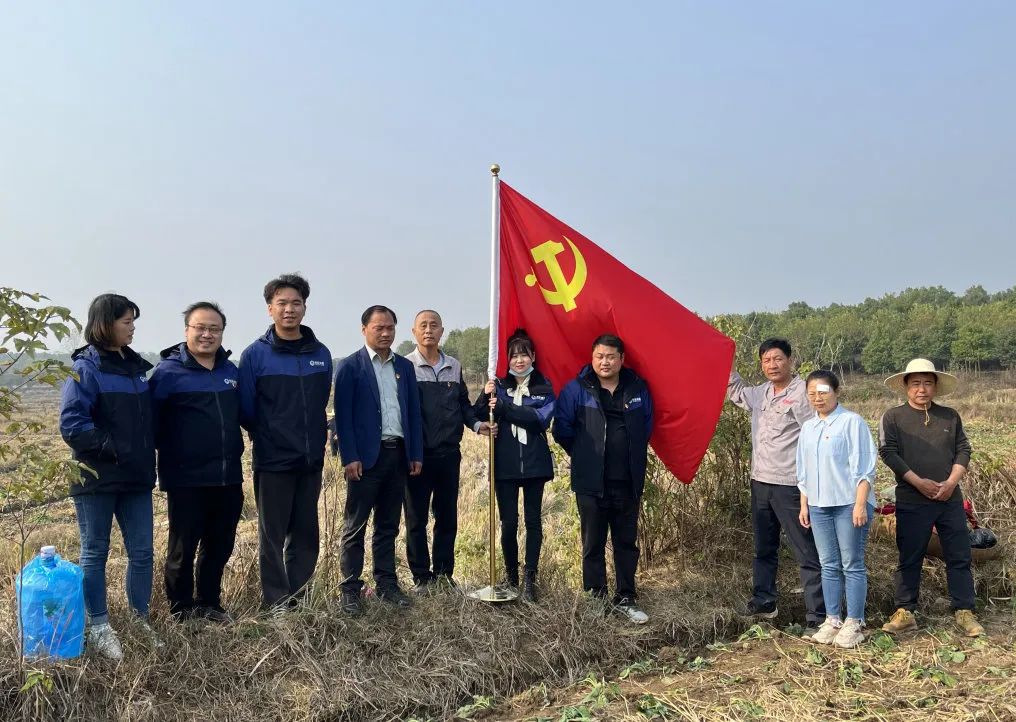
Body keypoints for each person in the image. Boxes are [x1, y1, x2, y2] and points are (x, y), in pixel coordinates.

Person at [59, 293, 157, 660]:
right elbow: (72, 424)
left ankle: (139, 620)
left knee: (143, 552)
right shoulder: (86, 368)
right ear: (105, 323)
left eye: (133, 321)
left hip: (136, 477)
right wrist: (116, 448)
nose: (132, 328)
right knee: (95, 551)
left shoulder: (136, 369)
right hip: (96, 478)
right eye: (126, 321)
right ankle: (99, 625)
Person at [238, 274, 332, 611]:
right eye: (282, 304)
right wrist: (272, 435)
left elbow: (321, 401)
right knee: (272, 537)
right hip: (273, 460)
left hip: (310, 461)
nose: (289, 310)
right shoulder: (255, 356)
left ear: (305, 307)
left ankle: (300, 598)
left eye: (295, 303)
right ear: (270, 309)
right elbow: (246, 410)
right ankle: (276, 604)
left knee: (306, 534)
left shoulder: (320, 353)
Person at [150, 301, 244, 623]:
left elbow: (245, 416)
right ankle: (181, 610)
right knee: (183, 548)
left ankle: (209, 603)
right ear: (186, 330)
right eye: (200, 328)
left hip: (228, 475)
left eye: (214, 329)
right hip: (186, 478)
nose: (207, 334)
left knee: (219, 546)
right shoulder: (167, 372)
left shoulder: (230, 371)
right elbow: (153, 425)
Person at [878, 359, 983, 637]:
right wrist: (917, 482)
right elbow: (889, 453)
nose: (921, 389)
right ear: (906, 386)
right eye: (915, 383)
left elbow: (963, 450)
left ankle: (964, 611)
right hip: (912, 499)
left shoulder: (950, 416)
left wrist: (951, 482)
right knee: (909, 556)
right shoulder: (893, 417)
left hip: (948, 498)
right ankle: (905, 612)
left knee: (959, 554)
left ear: (935, 386)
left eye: (927, 383)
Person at [726, 338, 825, 630]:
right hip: (761, 483)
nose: (773, 365)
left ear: (790, 360)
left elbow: (817, 433)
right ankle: (764, 601)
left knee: (805, 551)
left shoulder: (805, 392)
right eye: (767, 360)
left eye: (778, 359)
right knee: (763, 548)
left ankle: (817, 616)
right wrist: (721, 357)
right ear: (761, 365)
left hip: (791, 485)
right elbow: (736, 391)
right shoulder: (761, 393)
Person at [553, 334, 653, 624]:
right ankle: (595, 597)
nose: (605, 362)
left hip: (628, 480)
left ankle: (626, 597)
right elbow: (562, 429)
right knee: (592, 543)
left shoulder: (637, 389)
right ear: (592, 358)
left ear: (622, 359)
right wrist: (586, 454)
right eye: (599, 356)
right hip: (590, 482)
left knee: (626, 542)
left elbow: (646, 426)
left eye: (610, 356)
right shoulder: (577, 389)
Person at [334, 305, 424, 615]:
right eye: (378, 328)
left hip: (397, 455)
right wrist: (350, 457)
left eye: (390, 328)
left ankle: (387, 584)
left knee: (388, 525)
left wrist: (415, 454)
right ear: (364, 330)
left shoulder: (404, 367)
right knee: (355, 526)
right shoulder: (350, 367)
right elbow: (343, 418)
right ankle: (350, 588)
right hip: (365, 460)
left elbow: (412, 412)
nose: (385, 333)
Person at [403, 309, 491, 592]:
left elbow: (463, 404)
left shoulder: (454, 365)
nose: (429, 330)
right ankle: (421, 576)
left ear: (442, 331)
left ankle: (443, 574)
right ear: (414, 332)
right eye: (423, 326)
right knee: (416, 518)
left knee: (446, 516)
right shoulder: (405, 367)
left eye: (434, 325)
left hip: (449, 454)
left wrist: (477, 425)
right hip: (417, 455)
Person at [796, 370, 877, 648]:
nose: (817, 398)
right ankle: (832, 619)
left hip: (848, 504)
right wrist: (804, 504)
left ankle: (854, 621)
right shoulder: (808, 428)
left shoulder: (851, 422)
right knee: (828, 565)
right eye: (812, 393)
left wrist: (860, 504)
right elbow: (803, 471)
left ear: (836, 392)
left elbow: (865, 468)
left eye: (823, 392)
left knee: (851, 564)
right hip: (819, 505)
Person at [474, 329, 555, 603]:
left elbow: (539, 420)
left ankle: (530, 579)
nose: (519, 360)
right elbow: (475, 415)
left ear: (533, 356)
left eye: (524, 354)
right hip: (505, 464)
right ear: (506, 360)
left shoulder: (544, 386)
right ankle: (511, 577)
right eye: (514, 356)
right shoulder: (499, 386)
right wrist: (485, 396)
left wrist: (506, 410)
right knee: (508, 523)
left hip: (535, 464)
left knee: (533, 522)